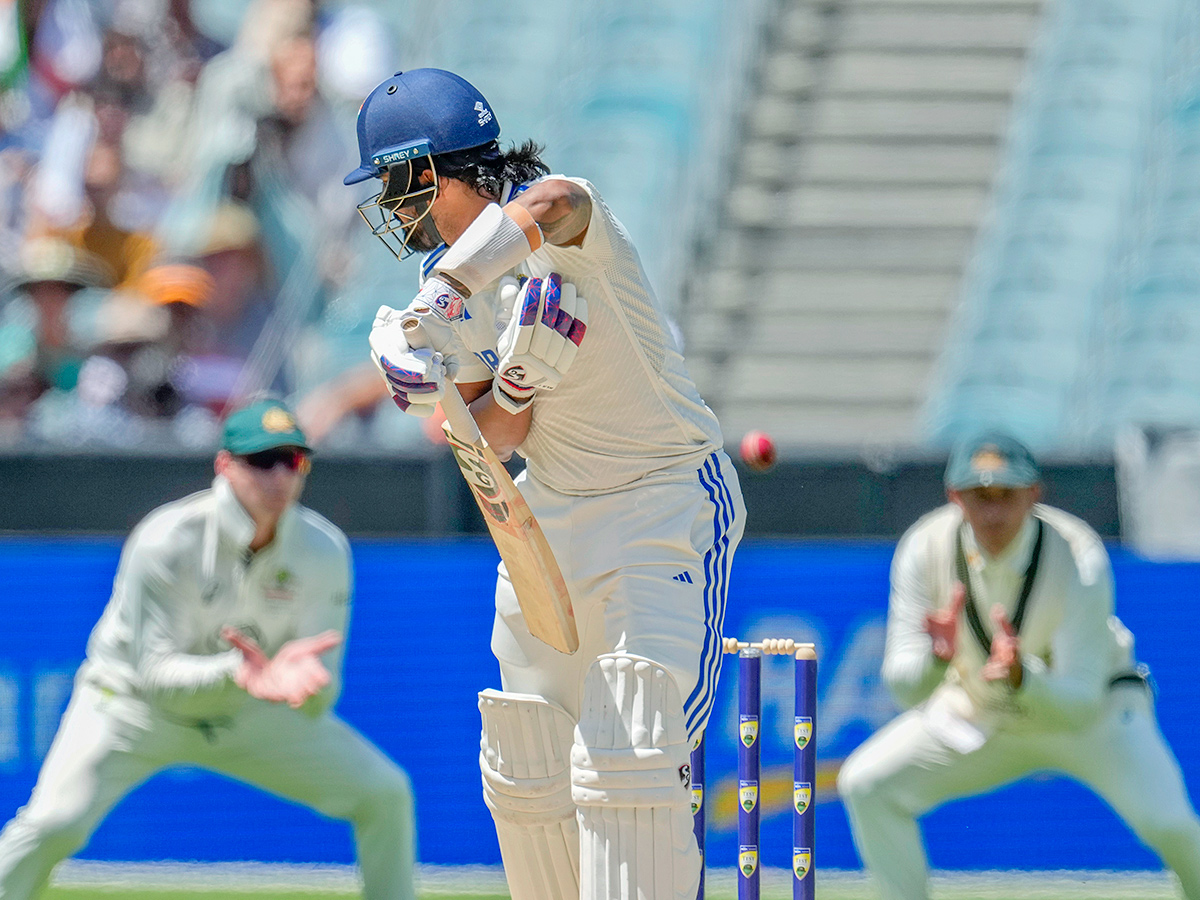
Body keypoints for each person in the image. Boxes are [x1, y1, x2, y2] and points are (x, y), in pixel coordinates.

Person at [345, 68, 745, 900]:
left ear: (428, 169)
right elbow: (499, 438)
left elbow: (554, 202)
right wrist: (465, 394)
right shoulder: (455, 296)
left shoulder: (555, 218)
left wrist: (449, 284)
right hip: (551, 515)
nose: (389, 207)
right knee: (527, 763)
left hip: (663, 498)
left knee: (633, 759)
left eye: (392, 183)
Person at [0, 397, 417, 900]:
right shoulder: (167, 538)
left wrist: (305, 688)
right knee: (55, 824)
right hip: (132, 708)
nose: (280, 477)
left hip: (250, 712)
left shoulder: (323, 550)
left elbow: (320, 693)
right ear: (224, 465)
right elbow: (156, 677)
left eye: (295, 461)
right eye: (262, 461)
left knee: (385, 794)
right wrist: (238, 674)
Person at [837, 432, 1200, 900]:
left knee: (1170, 823)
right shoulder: (923, 547)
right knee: (866, 785)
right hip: (981, 712)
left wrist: (1023, 678)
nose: (992, 511)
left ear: (1033, 494)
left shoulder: (1078, 555)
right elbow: (905, 689)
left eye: (1006, 494)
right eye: (978, 495)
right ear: (954, 497)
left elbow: (1081, 704)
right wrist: (937, 659)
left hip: (1096, 718)